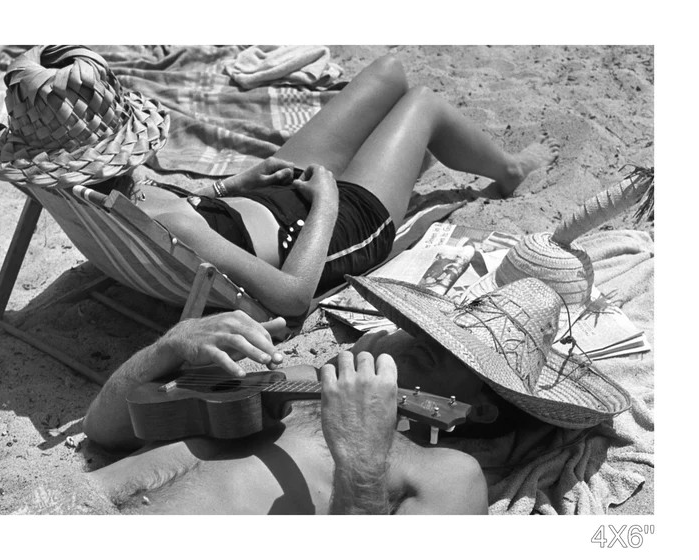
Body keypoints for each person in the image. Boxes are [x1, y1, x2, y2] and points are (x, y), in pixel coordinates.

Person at [129, 54, 558, 317]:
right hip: (323, 230)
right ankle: (509, 170)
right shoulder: (164, 219)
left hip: (258, 197)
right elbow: (292, 297)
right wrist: (328, 204)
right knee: (424, 103)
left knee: (388, 73)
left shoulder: (109, 199)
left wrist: (228, 187)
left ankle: (390, 162)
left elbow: (187, 218)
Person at [81, 311, 488, 514]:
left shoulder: (451, 474)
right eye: (427, 325)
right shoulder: (297, 378)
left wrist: (362, 463)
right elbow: (101, 429)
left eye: (461, 347)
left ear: (486, 408)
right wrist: (167, 347)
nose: (423, 336)